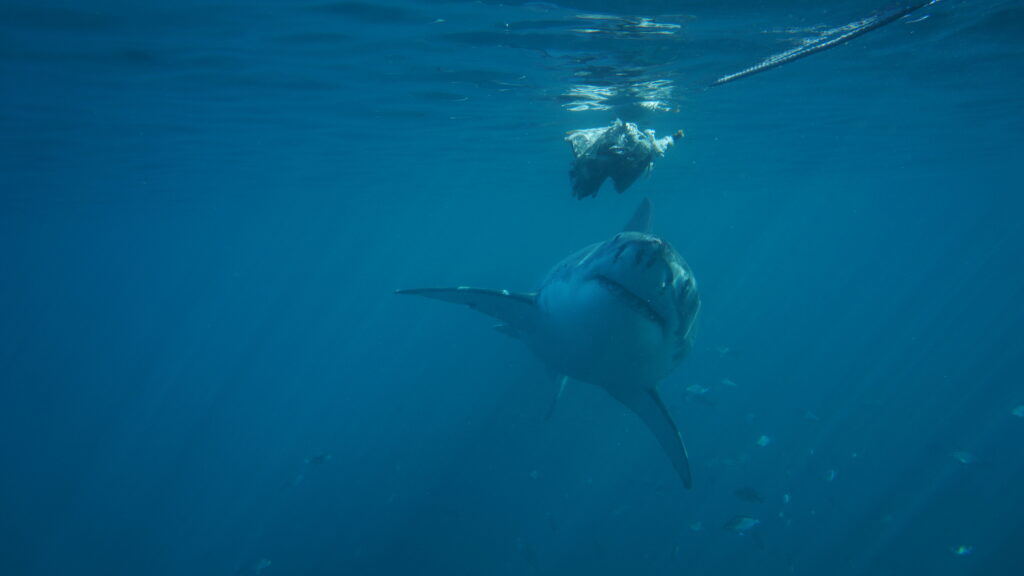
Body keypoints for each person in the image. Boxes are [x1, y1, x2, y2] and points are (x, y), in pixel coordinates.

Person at [565, 119, 682, 199]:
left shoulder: (644, 157)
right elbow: (662, 146)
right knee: (587, 179)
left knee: (588, 181)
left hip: (615, 166)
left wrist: (674, 138)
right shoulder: (621, 144)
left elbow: (662, 146)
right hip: (605, 161)